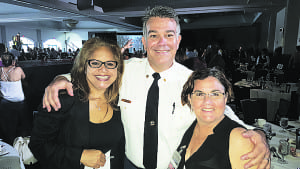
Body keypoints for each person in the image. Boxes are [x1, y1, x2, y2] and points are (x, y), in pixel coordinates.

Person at [42, 6, 270, 169]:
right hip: (128, 164)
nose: (161, 43)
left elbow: (222, 113)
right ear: (144, 41)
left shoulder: (194, 81)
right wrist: (60, 78)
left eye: (168, 35)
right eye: (154, 35)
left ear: (178, 40)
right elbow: (93, 73)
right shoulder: (124, 70)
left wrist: (257, 134)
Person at [28, 38, 125, 169]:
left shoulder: (118, 100)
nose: (103, 70)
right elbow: (37, 144)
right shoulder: (62, 99)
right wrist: (79, 156)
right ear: (84, 66)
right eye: (95, 63)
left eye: (110, 64)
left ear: (117, 68)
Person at [172, 68, 258, 169]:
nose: (207, 101)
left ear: (225, 98)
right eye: (200, 94)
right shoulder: (192, 126)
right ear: (190, 98)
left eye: (215, 94)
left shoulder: (238, 138)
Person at [0, 52, 26, 145]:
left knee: (7, 128)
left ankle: (9, 147)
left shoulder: (0, 70)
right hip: (18, 102)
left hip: (5, 103)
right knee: (21, 126)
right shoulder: (18, 70)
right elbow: (24, 77)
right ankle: (21, 147)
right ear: (13, 62)